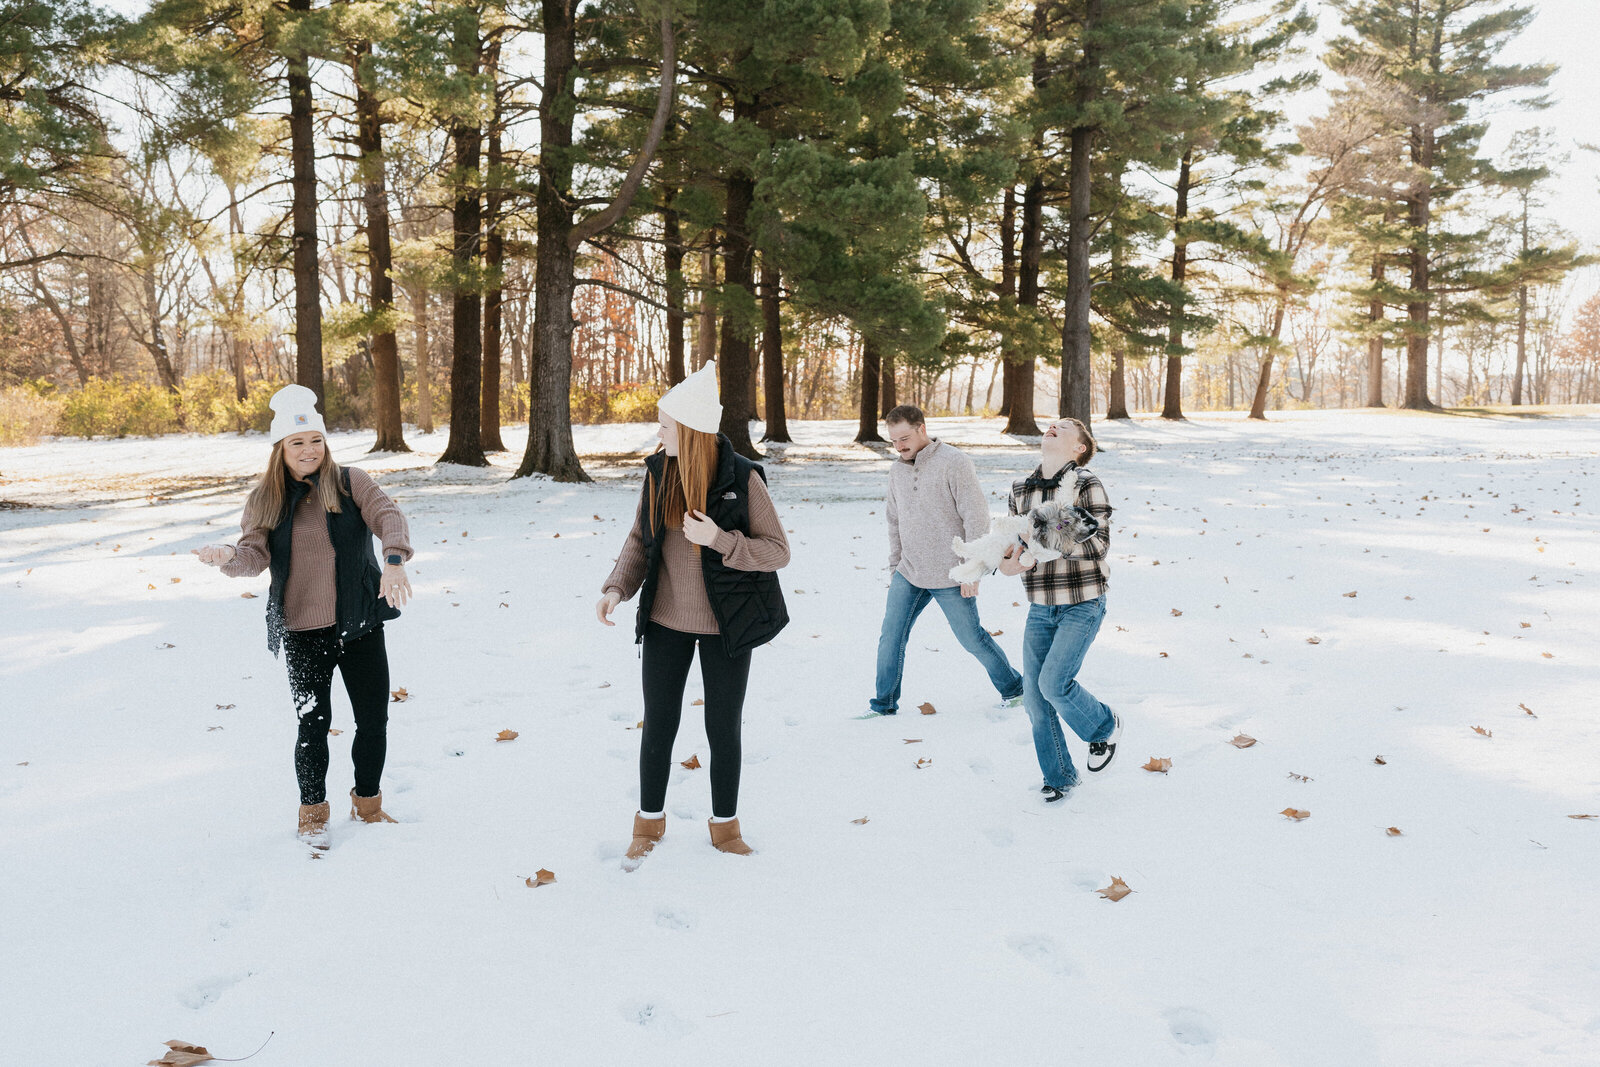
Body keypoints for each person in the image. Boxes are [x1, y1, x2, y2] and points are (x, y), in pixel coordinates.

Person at [193, 384, 414, 848]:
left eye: (316, 440)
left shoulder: (352, 482)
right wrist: (227, 554)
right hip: (302, 630)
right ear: (280, 449)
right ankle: (312, 812)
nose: (309, 450)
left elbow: (388, 516)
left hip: (359, 625)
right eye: (298, 442)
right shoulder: (266, 499)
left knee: (372, 720)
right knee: (313, 724)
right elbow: (253, 555)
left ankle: (368, 804)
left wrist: (393, 560)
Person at [597, 362, 790, 866]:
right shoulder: (659, 471)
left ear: (690, 428)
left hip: (729, 625)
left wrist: (722, 541)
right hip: (665, 622)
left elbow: (777, 551)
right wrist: (617, 587)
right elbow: (640, 538)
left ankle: (725, 828)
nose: (658, 434)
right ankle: (648, 822)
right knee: (659, 723)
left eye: (664, 425)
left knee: (723, 727)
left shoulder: (743, 478)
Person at [860, 404, 1022, 718]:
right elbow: (894, 521)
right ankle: (883, 705)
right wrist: (895, 567)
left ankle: (1015, 689)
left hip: (951, 574)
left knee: (972, 639)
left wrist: (972, 569)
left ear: (922, 428)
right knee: (890, 638)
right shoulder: (897, 470)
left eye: (904, 438)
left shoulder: (955, 462)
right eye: (893, 441)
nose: (899, 446)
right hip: (909, 572)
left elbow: (976, 518)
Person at [998, 416, 1121, 802]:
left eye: (1066, 426)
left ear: (1078, 448)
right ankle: (1060, 776)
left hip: (1082, 603)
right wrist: (1015, 561)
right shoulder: (1021, 488)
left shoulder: (1086, 483)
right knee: (1035, 700)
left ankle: (1103, 726)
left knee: (1053, 685)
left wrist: (1042, 534)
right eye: (1052, 423)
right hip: (1040, 607)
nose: (1054, 426)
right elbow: (1007, 557)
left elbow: (1097, 546)